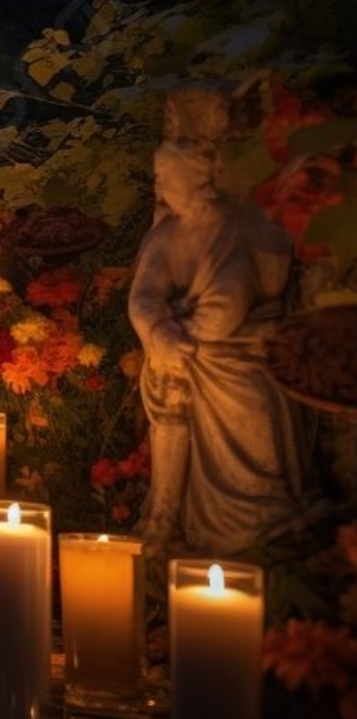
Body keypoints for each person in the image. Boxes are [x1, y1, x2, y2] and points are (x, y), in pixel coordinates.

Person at [130, 97, 301, 554]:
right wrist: (162, 333)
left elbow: (247, 291)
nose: (160, 184)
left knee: (249, 397)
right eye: (159, 177)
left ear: (197, 178)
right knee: (167, 378)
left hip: (240, 351)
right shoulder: (165, 238)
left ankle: (258, 523)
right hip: (183, 350)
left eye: (167, 177)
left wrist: (194, 333)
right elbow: (144, 297)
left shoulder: (239, 228)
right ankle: (166, 513)